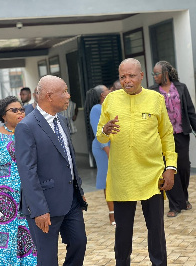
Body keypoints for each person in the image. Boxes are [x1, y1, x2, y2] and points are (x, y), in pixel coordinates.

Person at [96, 58, 177, 265]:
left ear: (142, 76)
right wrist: (105, 131)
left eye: (131, 75)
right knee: (123, 231)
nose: (127, 80)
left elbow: (167, 134)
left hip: (152, 176)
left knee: (156, 229)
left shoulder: (155, 99)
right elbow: (100, 135)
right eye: (123, 76)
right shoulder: (111, 100)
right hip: (122, 176)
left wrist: (170, 167)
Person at [14, 75, 87, 266]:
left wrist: (78, 189)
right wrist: (39, 209)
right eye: (63, 91)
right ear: (49, 96)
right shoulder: (26, 126)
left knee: (79, 243)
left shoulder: (61, 121)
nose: (68, 95)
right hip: (44, 205)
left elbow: (69, 158)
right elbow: (27, 171)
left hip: (71, 201)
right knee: (47, 259)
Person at [149, 61, 196, 217]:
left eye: (157, 73)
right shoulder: (152, 91)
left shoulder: (181, 87)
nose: (154, 76)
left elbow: (190, 110)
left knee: (183, 167)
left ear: (166, 74)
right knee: (168, 169)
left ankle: (183, 199)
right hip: (162, 137)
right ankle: (174, 205)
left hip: (181, 134)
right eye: (153, 74)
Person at [0, 96, 37, 265]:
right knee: (6, 242)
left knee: (30, 237)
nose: (20, 112)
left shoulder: (30, 133)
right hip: (4, 199)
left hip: (28, 196)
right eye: (14, 110)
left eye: (21, 109)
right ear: (3, 115)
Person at [85, 85, 115, 225]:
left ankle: (119, 211)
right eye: (107, 89)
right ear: (102, 94)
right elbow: (99, 133)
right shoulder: (96, 109)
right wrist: (108, 152)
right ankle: (112, 214)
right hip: (103, 148)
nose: (110, 90)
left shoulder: (108, 106)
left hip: (112, 147)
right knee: (107, 180)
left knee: (115, 180)